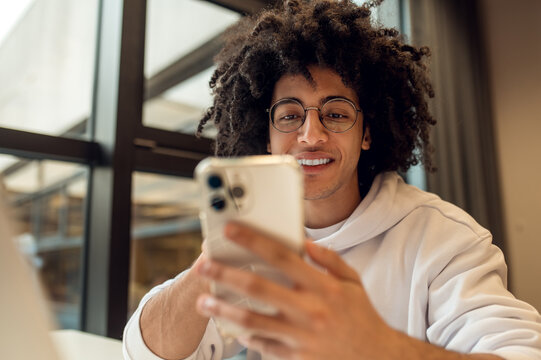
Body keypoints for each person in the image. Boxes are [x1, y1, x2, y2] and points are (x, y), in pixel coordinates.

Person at [122, 1, 541, 359]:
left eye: (336, 113)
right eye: (289, 116)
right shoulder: (254, 243)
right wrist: (207, 269)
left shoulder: (444, 239)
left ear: (367, 133)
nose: (311, 135)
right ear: (265, 137)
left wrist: (375, 343)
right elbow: (144, 351)